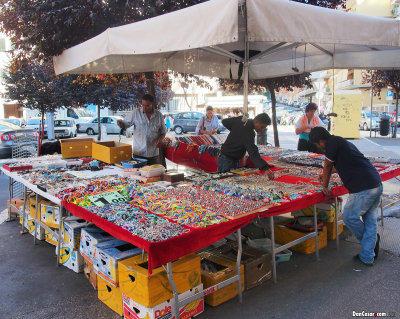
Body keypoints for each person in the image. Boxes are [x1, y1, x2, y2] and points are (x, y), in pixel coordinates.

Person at [309, 127, 382, 266]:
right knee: (370, 221)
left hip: (364, 188)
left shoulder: (331, 145)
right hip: (375, 183)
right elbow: (346, 163)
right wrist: (325, 175)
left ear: (321, 141)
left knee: (349, 217)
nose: (319, 147)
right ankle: (368, 255)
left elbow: (328, 166)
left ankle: (370, 243)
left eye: (317, 145)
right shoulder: (339, 141)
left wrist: (325, 186)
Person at [218, 113, 274, 179]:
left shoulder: (241, 120)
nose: (262, 130)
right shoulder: (249, 133)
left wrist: (235, 131)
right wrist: (265, 168)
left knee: (220, 180)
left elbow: (224, 121)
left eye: (264, 128)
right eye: (262, 127)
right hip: (229, 160)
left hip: (224, 156)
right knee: (225, 182)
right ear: (256, 122)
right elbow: (253, 153)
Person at [117, 94, 166, 165]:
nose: (144, 108)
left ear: (152, 104)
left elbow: (163, 132)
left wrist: (159, 140)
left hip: (153, 154)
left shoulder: (159, 115)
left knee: (154, 174)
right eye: (143, 105)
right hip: (139, 153)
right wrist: (120, 123)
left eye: (147, 106)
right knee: (139, 175)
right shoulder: (135, 113)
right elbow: (125, 125)